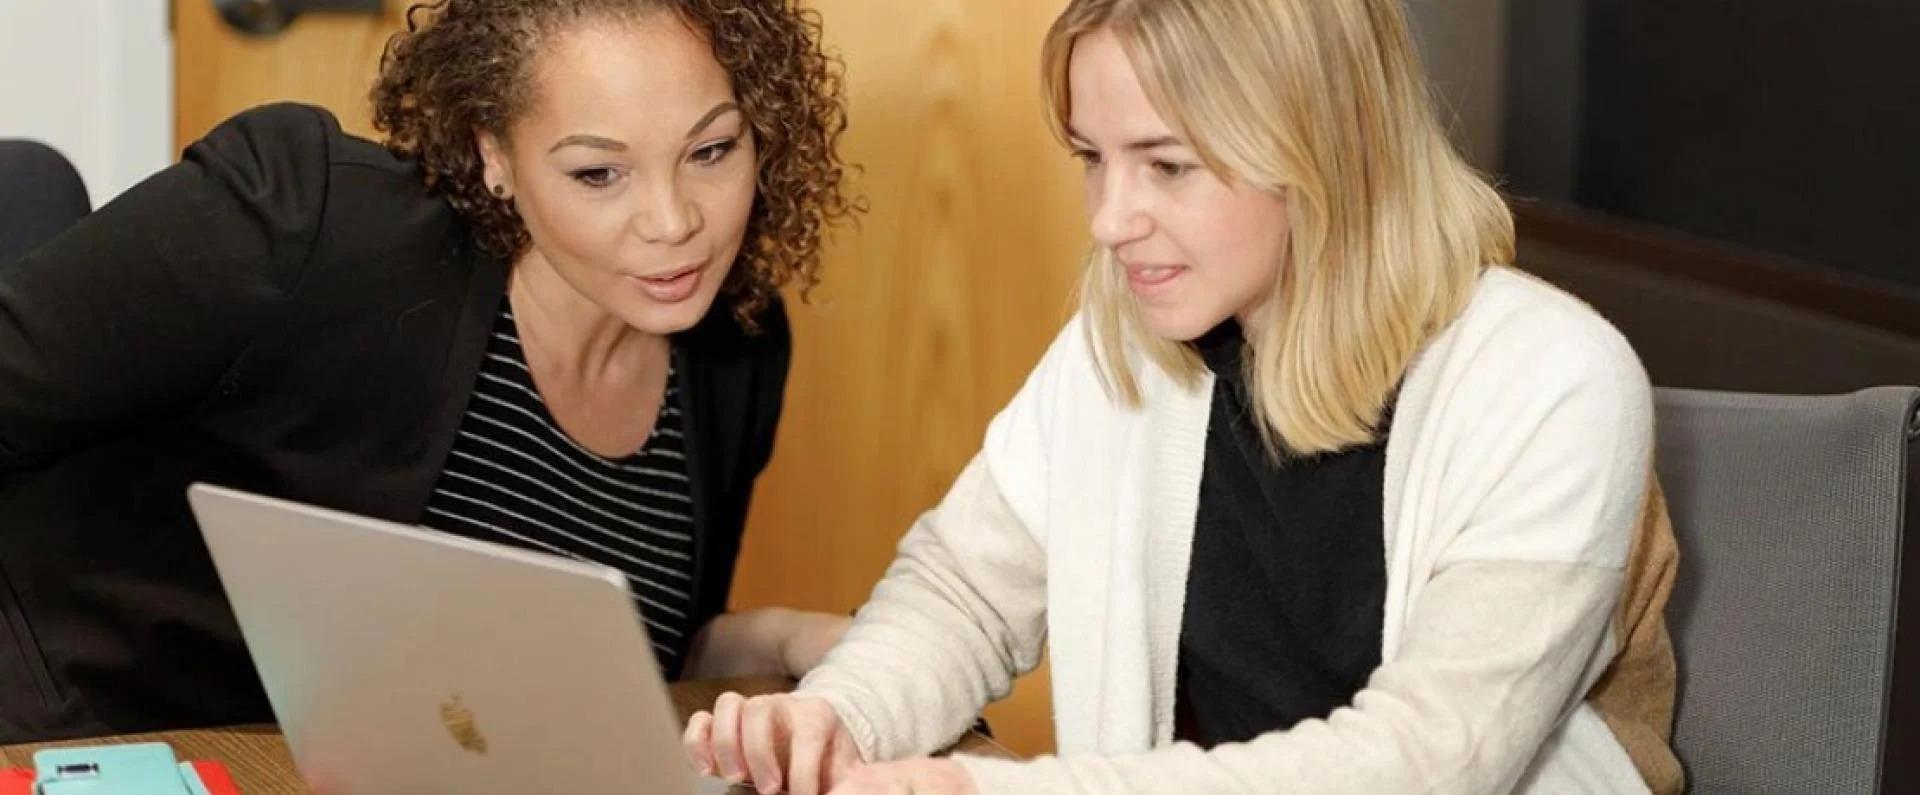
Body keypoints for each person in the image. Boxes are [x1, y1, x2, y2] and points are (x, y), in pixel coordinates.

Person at [682, 0, 1683, 792]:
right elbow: (965, 592)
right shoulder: (1123, 342)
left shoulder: (1552, 381)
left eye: (1167, 164)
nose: (1113, 221)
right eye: (1092, 158)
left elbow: (1431, 762)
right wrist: (837, 716)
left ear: (1325, 148)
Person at [0, 0, 856, 742]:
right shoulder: (299, 222)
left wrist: (782, 637)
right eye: (598, 172)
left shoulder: (732, 346)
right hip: (84, 737)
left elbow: (632, 648)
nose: (673, 223)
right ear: (495, 154)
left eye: (711, 152)